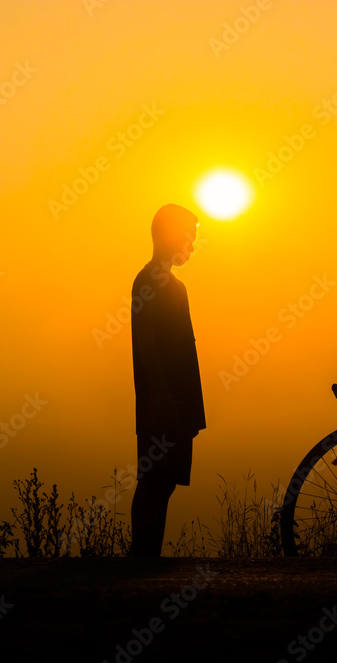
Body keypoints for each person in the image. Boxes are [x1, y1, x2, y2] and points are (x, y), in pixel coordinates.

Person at [128, 203, 206, 557]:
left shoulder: (176, 286)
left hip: (180, 399)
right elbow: (146, 342)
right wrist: (161, 396)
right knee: (154, 479)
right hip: (163, 401)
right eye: (188, 236)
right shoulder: (147, 282)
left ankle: (150, 557)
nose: (191, 244)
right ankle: (142, 554)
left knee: (167, 480)